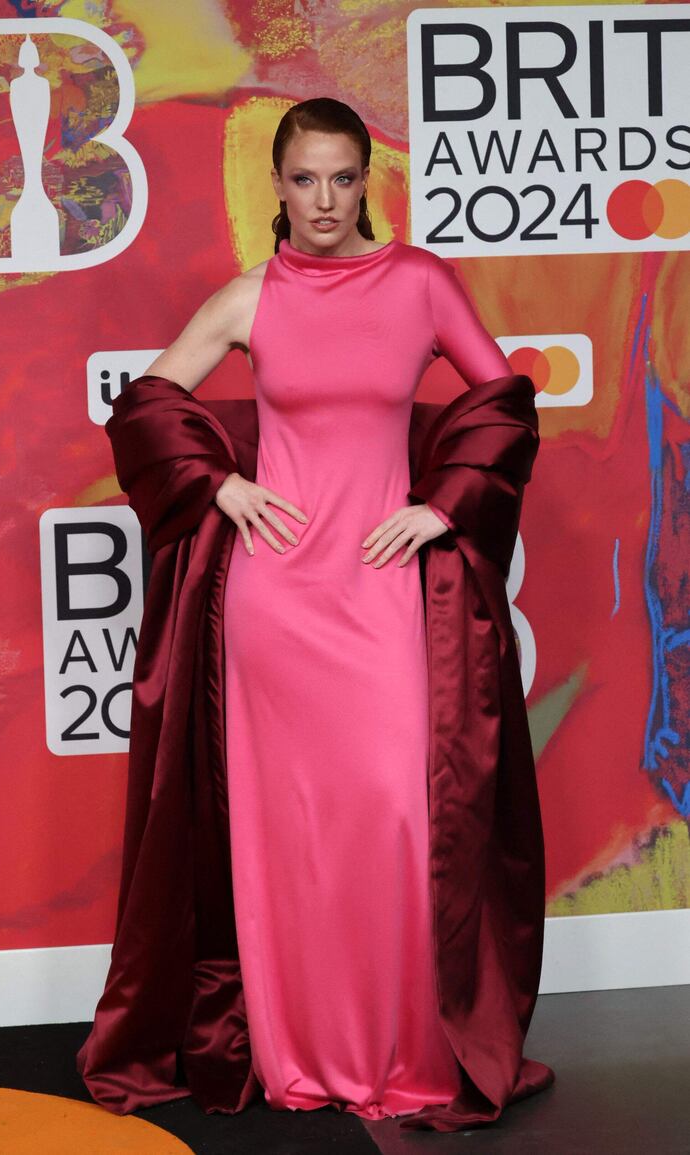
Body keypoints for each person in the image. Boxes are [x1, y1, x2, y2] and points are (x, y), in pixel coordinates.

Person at [77, 97, 554, 1132]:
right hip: (275, 600)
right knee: (286, 837)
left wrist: (443, 505)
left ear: (365, 180)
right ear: (278, 186)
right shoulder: (249, 298)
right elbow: (146, 406)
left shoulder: (420, 283)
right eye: (305, 179)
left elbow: (506, 403)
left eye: (342, 178)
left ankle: (404, 1048)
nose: (325, 200)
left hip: (380, 593)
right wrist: (217, 484)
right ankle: (298, 1052)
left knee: (395, 817)